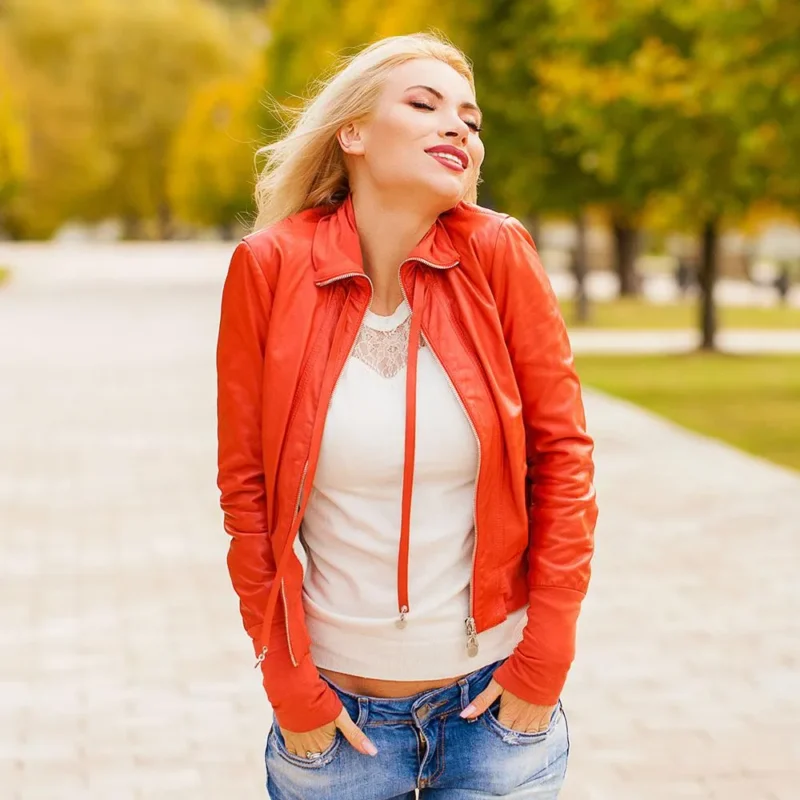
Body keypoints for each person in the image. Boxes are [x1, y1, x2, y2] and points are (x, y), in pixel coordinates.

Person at [216, 32, 598, 800]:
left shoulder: (499, 254)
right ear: (351, 133)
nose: (458, 127)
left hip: (496, 716)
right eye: (423, 105)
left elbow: (563, 458)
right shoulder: (270, 267)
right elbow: (247, 494)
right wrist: (290, 688)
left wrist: (545, 659)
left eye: (471, 118)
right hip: (337, 728)